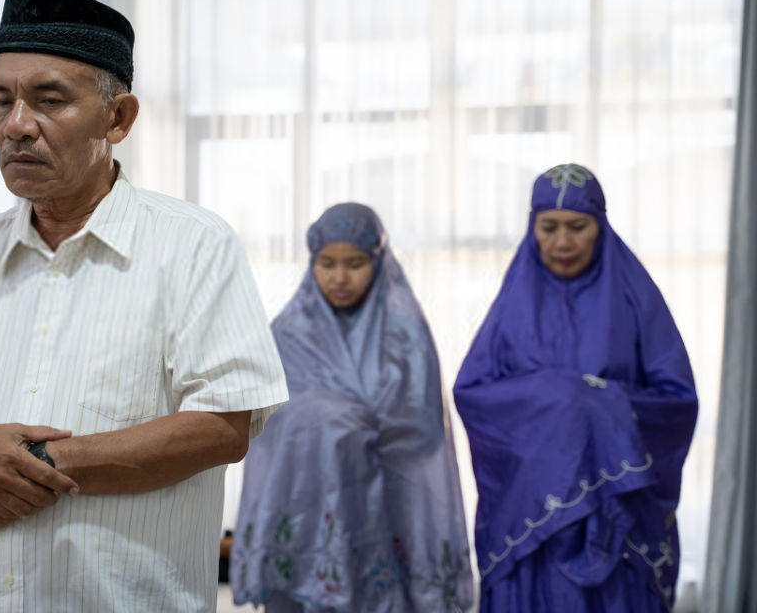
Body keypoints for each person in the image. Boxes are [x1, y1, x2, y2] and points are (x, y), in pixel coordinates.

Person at [0, 0, 287, 612]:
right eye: (0, 100)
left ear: (119, 118)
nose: (16, 125)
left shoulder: (193, 245)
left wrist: (25, 465)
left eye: (49, 100)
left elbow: (222, 428)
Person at [453, 164, 698, 612]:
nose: (562, 242)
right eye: (549, 227)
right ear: (533, 228)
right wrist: (557, 399)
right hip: (532, 517)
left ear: (600, 227)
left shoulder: (636, 299)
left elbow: (677, 402)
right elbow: (472, 394)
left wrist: (597, 405)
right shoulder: (513, 306)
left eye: (577, 227)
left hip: (616, 520)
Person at [231, 203, 473, 612]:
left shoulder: (406, 336)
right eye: (327, 263)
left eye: (355, 263)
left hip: (389, 514)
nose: (339, 277)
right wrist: (330, 418)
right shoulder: (288, 333)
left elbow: (426, 431)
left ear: (378, 261)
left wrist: (364, 426)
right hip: (307, 513)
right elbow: (265, 422)